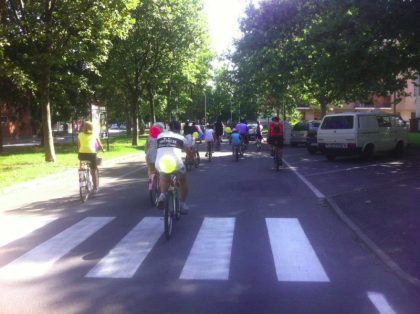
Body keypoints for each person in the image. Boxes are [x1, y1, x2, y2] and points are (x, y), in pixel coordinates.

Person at [155, 120, 189, 214]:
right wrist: (192, 158)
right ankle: (182, 203)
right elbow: (188, 151)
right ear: (179, 129)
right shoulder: (181, 138)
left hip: (161, 162)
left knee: (163, 176)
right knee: (183, 181)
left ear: (169, 128)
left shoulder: (160, 136)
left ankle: (162, 195)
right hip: (176, 163)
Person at [77, 121, 104, 192]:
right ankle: (95, 187)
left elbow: (79, 146)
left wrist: (80, 151)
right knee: (93, 171)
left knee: (82, 164)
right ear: (92, 128)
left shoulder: (80, 135)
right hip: (91, 154)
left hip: (82, 154)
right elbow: (100, 144)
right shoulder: (94, 134)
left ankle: (82, 173)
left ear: (83, 127)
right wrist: (102, 149)